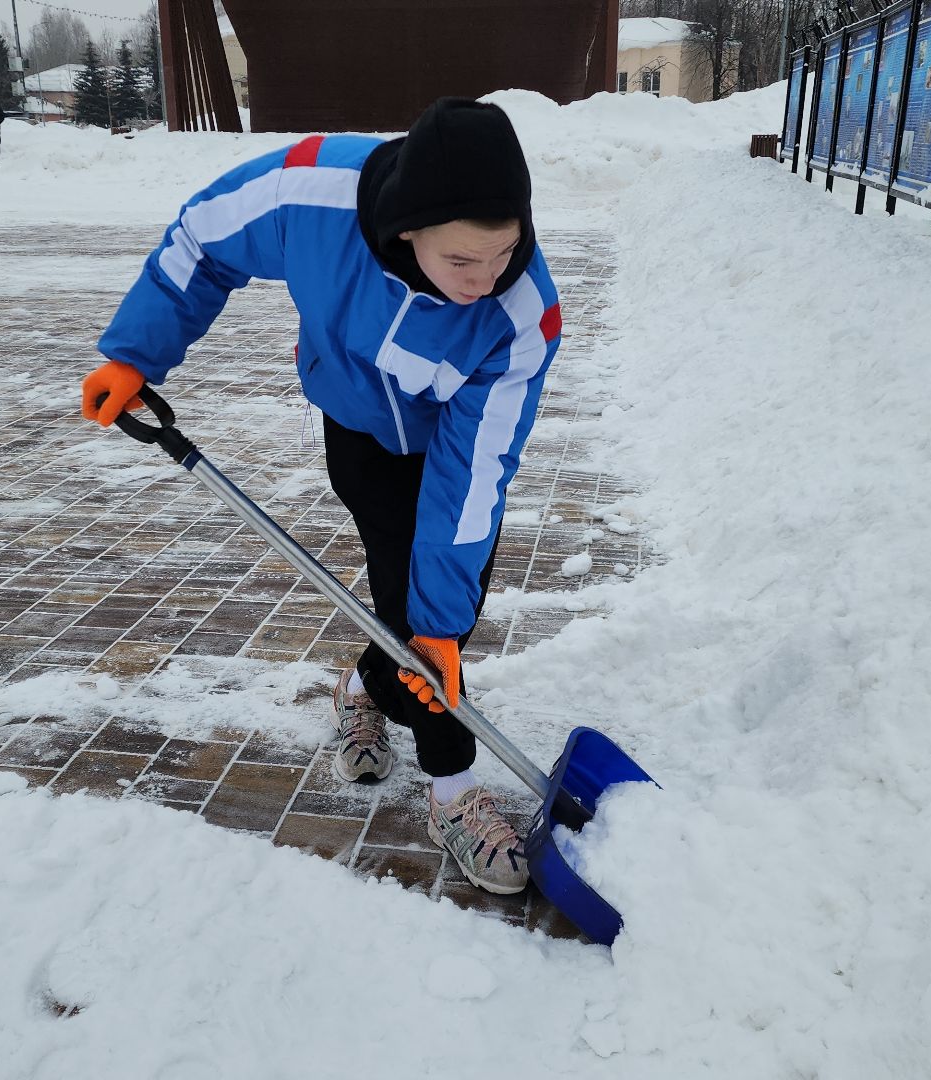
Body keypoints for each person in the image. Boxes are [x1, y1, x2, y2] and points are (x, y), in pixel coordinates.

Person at [80, 98, 559, 896]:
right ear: (408, 230)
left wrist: (442, 626)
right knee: (408, 615)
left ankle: (363, 688)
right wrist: (135, 354)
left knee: (437, 617)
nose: (486, 282)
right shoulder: (311, 195)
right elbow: (201, 238)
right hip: (358, 429)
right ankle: (452, 791)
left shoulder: (520, 317)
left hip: (449, 446)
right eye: (462, 261)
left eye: (505, 253)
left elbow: (474, 475)